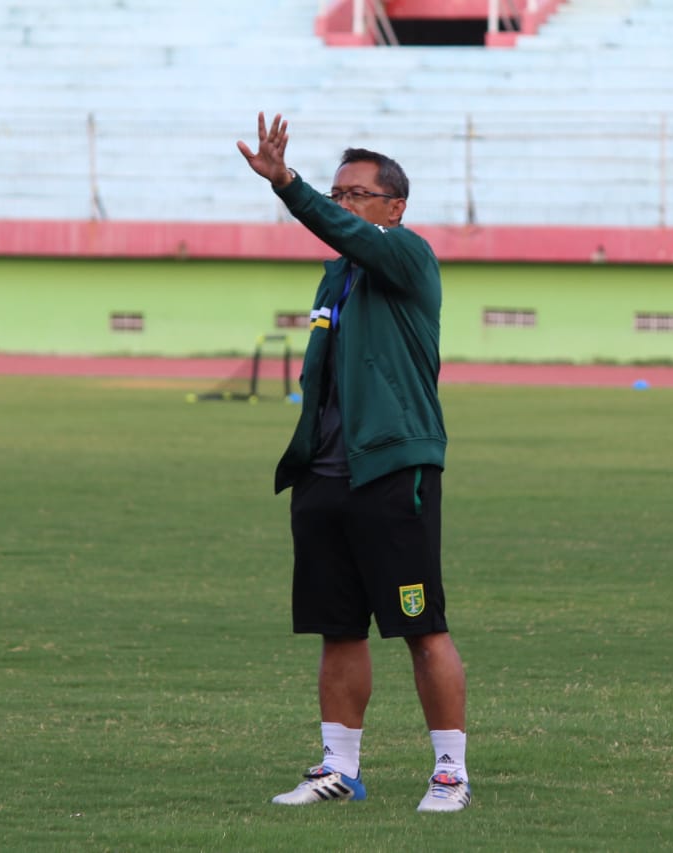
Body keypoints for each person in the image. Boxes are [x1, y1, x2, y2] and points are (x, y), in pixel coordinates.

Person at [237, 112, 471, 813]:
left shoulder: (408, 254)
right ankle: (338, 767)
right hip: (326, 476)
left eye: (356, 195)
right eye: (336, 194)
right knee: (337, 626)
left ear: (394, 208)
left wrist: (290, 185)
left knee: (421, 626)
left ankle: (451, 771)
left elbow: (343, 233)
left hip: (392, 473)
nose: (342, 206)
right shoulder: (334, 278)